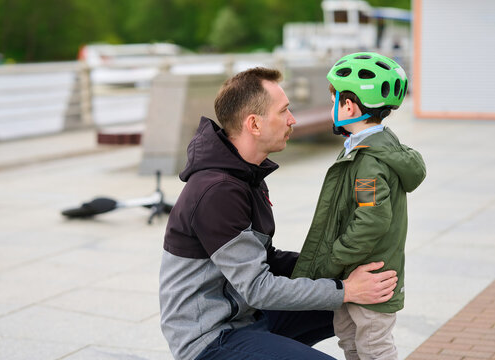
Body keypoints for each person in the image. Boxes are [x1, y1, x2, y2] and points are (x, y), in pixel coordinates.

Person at [159, 67, 399, 360]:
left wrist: (338, 269)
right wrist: (345, 288)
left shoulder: (245, 174)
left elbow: (267, 259)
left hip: (247, 316)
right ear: (254, 125)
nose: (292, 119)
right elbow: (259, 288)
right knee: (346, 296)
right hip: (210, 337)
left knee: (355, 303)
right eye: (284, 111)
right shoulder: (216, 191)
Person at [291, 52, 427, 360]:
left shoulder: (369, 162)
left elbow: (371, 221)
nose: (333, 108)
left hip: (369, 277)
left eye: (334, 101)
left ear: (349, 106)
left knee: (373, 347)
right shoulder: (366, 148)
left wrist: (332, 259)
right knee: (351, 342)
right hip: (355, 274)